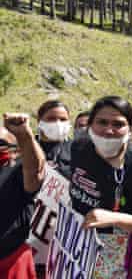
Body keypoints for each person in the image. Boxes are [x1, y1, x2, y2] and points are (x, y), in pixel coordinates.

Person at [69, 96, 132, 277]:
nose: (109, 130)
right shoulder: (79, 148)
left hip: (122, 255)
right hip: (77, 246)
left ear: (131, 130)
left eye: (118, 124)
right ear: (90, 126)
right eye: (102, 122)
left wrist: (113, 218)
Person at [0, 113, 45, 278]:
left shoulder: (17, 169)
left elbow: (35, 174)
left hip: (11, 262)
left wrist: (24, 135)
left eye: (1, 143)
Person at [36, 100, 72, 176]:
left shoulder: (76, 149)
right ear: (39, 121)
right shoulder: (27, 145)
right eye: (51, 119)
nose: (58, 123)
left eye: (63, 119)